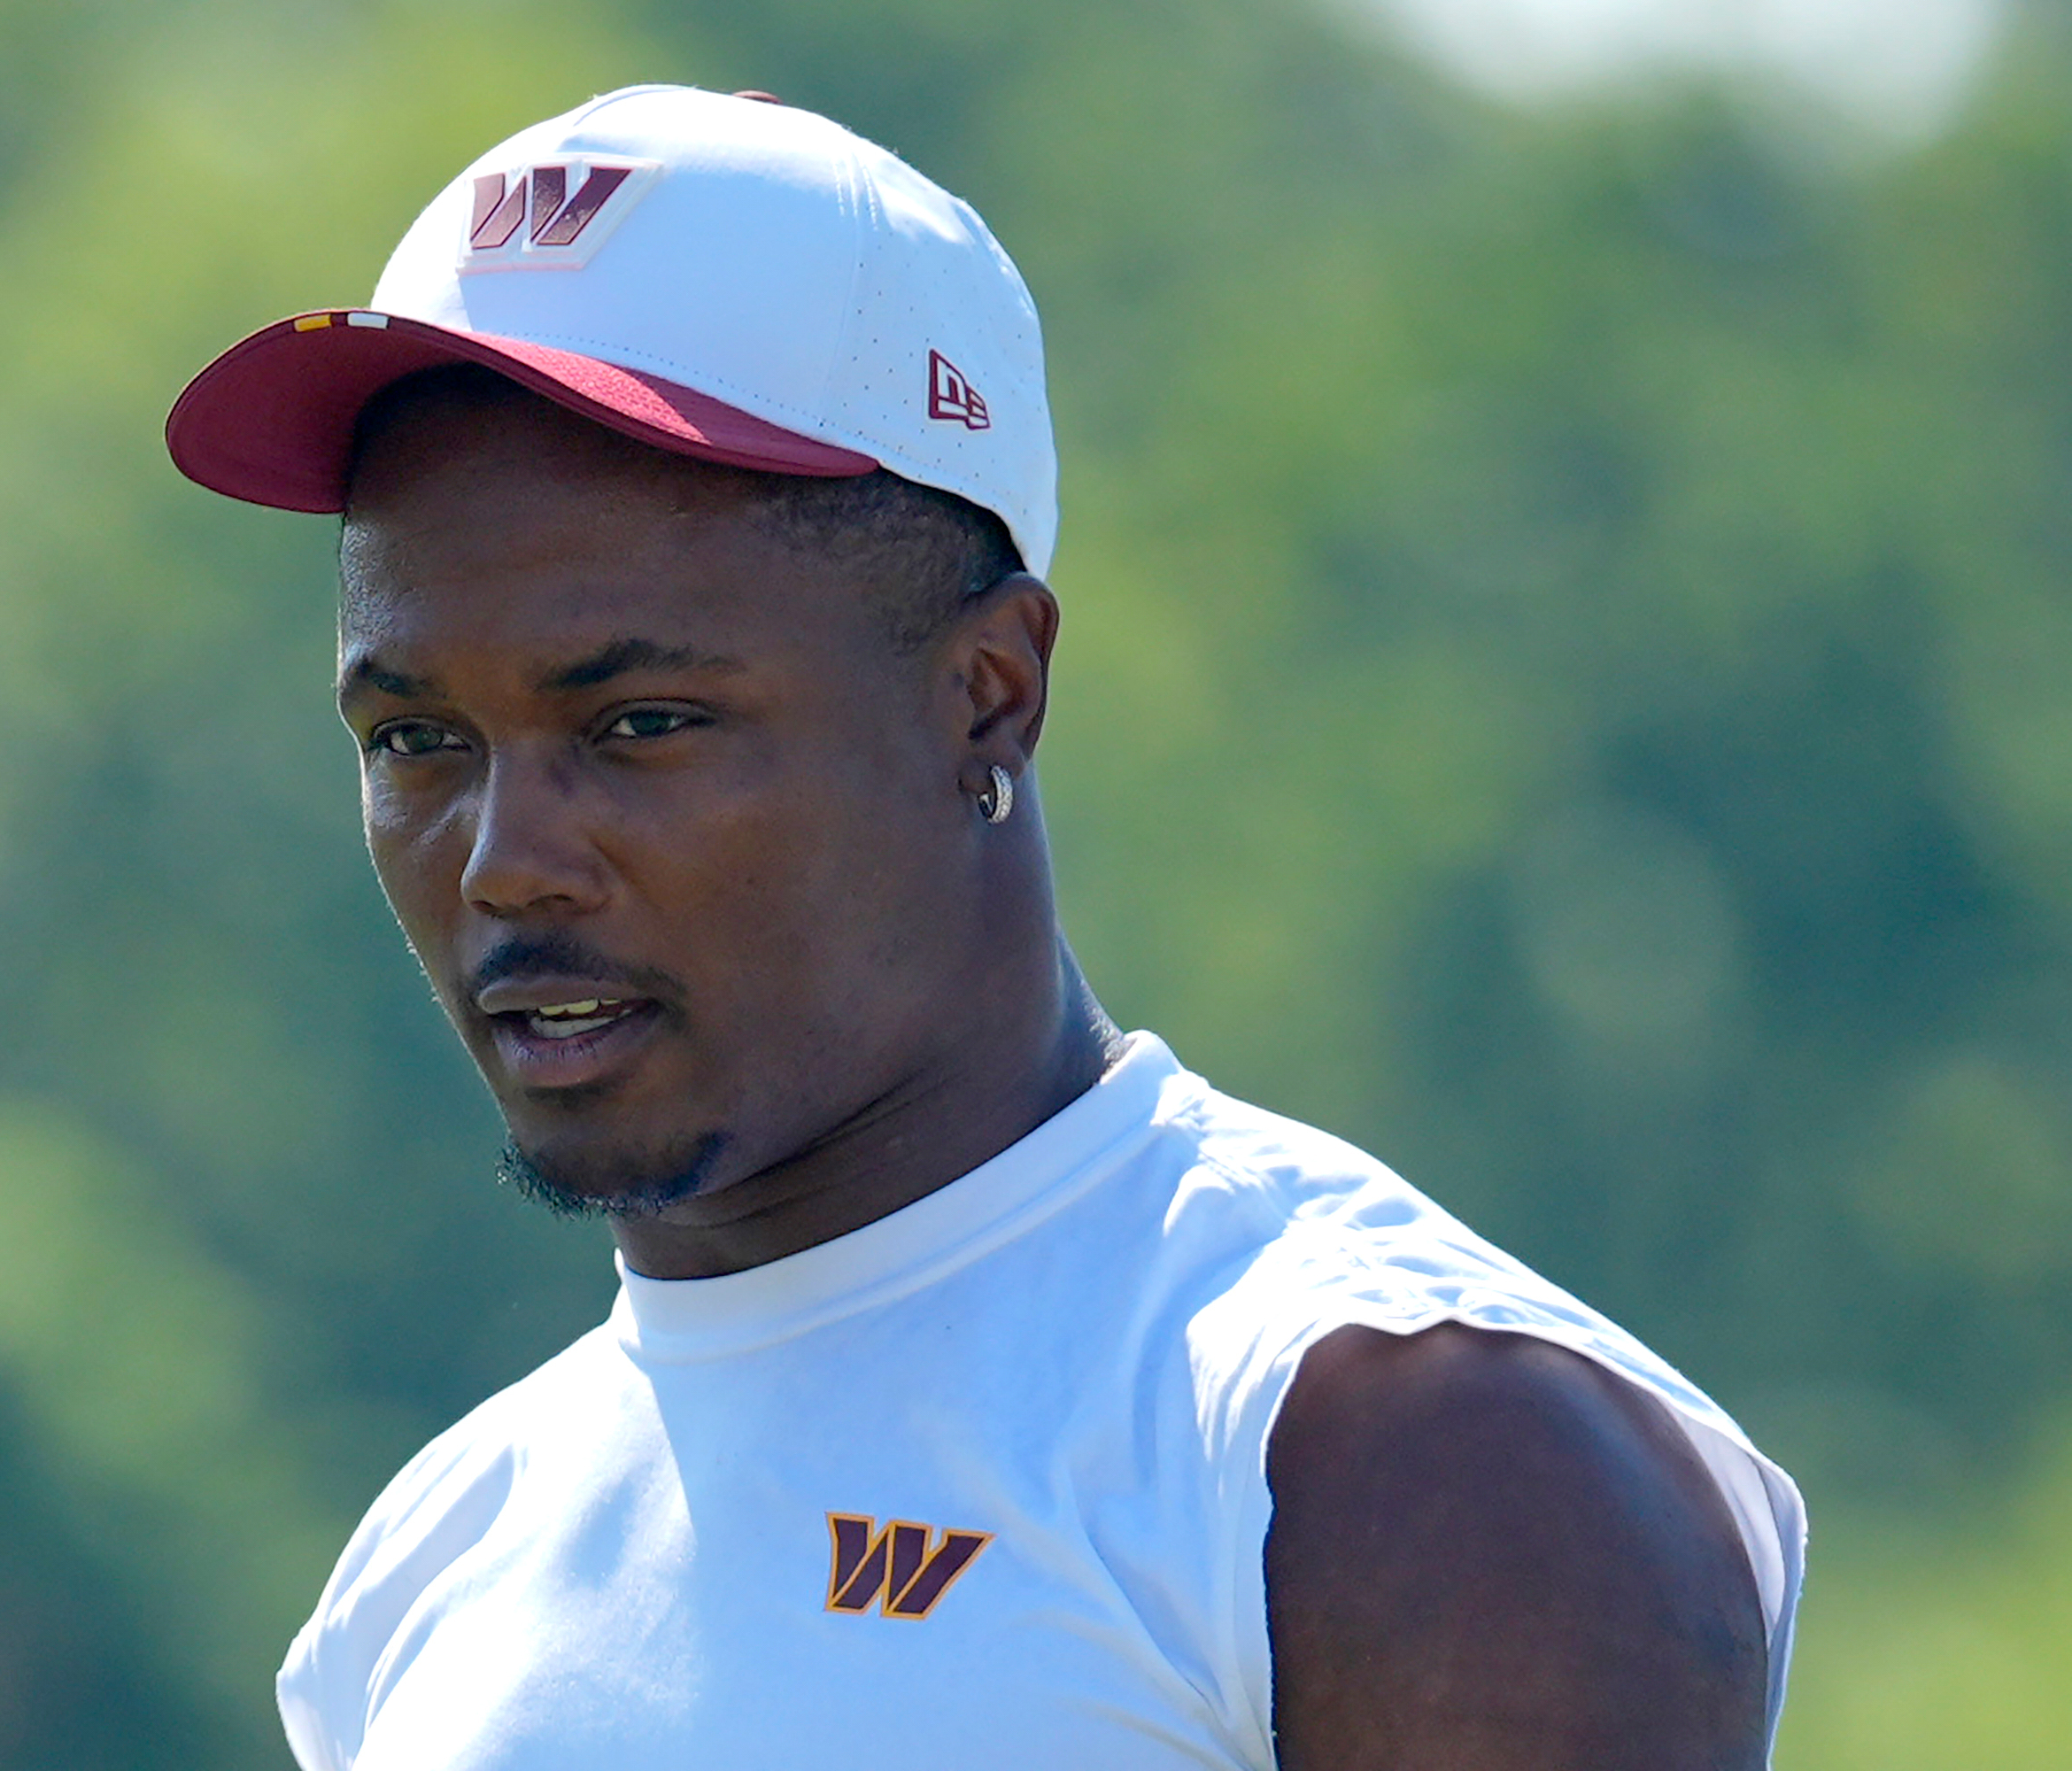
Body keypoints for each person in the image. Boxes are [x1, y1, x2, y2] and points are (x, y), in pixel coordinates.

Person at [166, 84, 1805, 1770]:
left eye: (641, 724)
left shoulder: (1394, 1447)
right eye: (416, 740)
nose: (508, 864)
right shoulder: (425, 1572)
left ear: (988, 695)